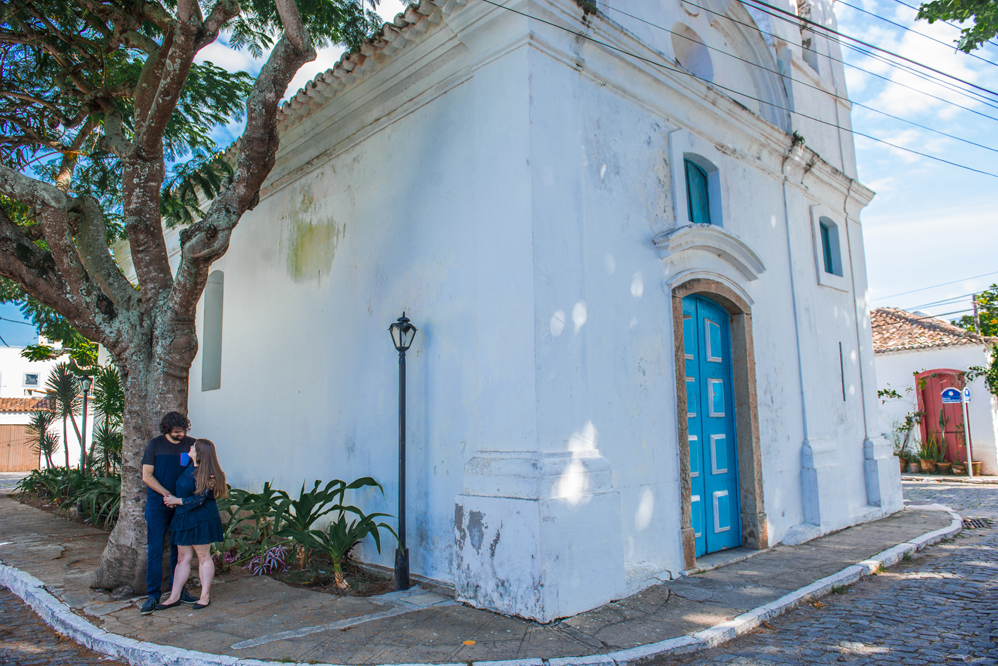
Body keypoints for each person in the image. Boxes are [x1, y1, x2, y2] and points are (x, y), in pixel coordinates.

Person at [157, 438, 227, 610]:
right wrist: (175, 501)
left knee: (203, 557)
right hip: (184, 517)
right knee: (182, 558)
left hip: (202, 519)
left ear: (200, 453)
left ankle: (204, 596)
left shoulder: (209, 474)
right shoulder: (189, 467)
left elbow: (198, 499)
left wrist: (177, 501)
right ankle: (174, 597)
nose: (190, 447)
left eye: (194, 447)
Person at [139, 412, 198, 614]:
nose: (181, 435)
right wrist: (167, 495)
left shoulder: (192, 444)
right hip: (158, 505)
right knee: (155, 550)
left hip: (182, 505)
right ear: (167, 430)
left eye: (183, 431)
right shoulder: (155, 445)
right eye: (177, 432)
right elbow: (147, 476)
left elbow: (199, 470)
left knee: (180, 551)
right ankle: (153, 595)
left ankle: (178, 591)